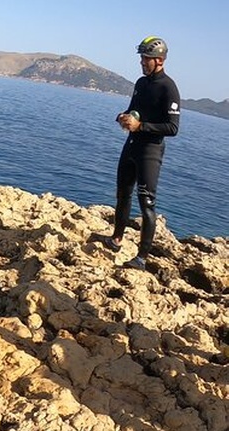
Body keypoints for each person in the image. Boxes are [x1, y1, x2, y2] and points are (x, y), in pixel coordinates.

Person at [102, 36, 180, 270]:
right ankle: (116, 239)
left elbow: (173, 128)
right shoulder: (141, 83)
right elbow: (134, 110)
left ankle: (141, 258)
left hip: (150, 152)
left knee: (146, 204)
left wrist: (142, 126)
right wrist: (123, 117)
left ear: (159, 60)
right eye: (142, 59)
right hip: (132, 146)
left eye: (146, 59)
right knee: (122, 194)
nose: (142, 63)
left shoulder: (168, 87)